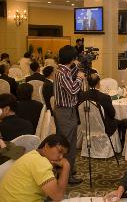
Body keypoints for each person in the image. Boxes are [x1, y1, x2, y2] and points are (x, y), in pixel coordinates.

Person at [0, 134, 71, 202]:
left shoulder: (34, 154)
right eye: (60, 151)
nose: (61, 157)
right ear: (46, 146)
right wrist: (66, 167)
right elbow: (58, 196)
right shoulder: (41, 163)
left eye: (63, 154)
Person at [54, 45, 85, 185]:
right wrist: (79, 78)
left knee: (71, 143)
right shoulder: (61, 73)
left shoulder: (64, 70)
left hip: (69, 110)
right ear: (71, 58)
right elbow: (72, 90)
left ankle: (69, 170)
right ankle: (64, 174)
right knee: (65, 144)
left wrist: (76, 70)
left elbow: (70, 83)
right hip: (64, 112)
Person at [78, 73, 118, 137]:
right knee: (117, 121)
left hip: (87, 126)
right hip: (103, 128)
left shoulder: (81, 96)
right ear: (99, 83)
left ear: (88, 83)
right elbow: (112, 114)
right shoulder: (105, 97)